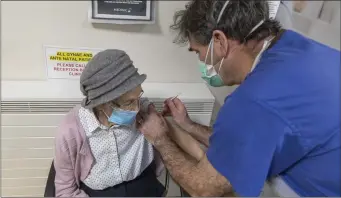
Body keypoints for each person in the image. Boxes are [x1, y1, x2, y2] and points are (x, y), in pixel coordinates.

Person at [136, 0, 341, 197]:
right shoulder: (297, 46)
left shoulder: (255, 100)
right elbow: (242, 146)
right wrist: (188, 125)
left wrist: (160, 139)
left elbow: (204, 189)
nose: (201, 62)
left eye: (198, 52)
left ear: (220, 40)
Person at [53, 49, 166, 197]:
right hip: (98, 192)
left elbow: (168, 143)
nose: (137, 108)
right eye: (129, 103)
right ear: (101, 104)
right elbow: (65, 189)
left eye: (139, 97)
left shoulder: (145, 112)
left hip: (142, 182)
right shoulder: (70, 131)